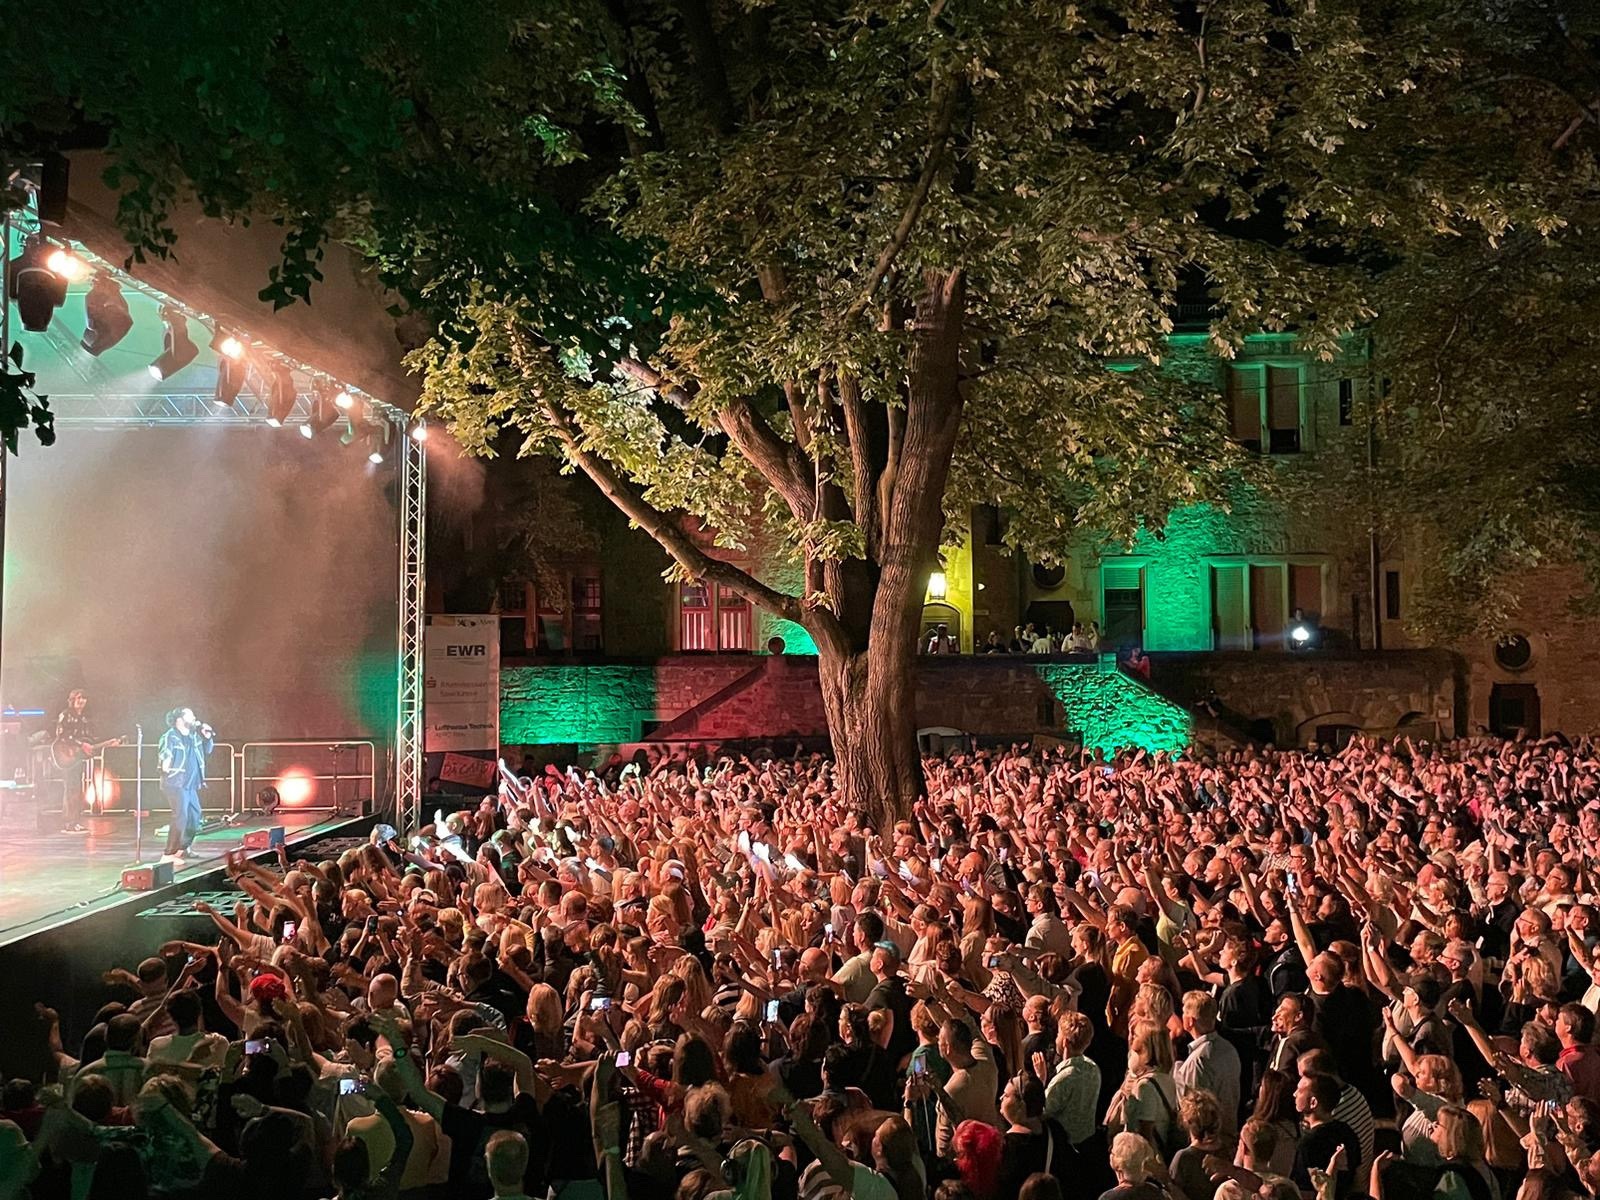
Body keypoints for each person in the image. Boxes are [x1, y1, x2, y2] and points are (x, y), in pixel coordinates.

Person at [157, 707, 214, 861]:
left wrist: (208, 737)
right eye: (190, 715)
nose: (194, 717)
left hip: (191, 784)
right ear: (179, 720)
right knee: (180, 817)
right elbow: (165, 754)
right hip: (175, 783)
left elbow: (208, 750)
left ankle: (183, 847)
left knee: (195, 816)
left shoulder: (194, 736)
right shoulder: (170, 736)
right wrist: (165, 764)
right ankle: (168, 854)